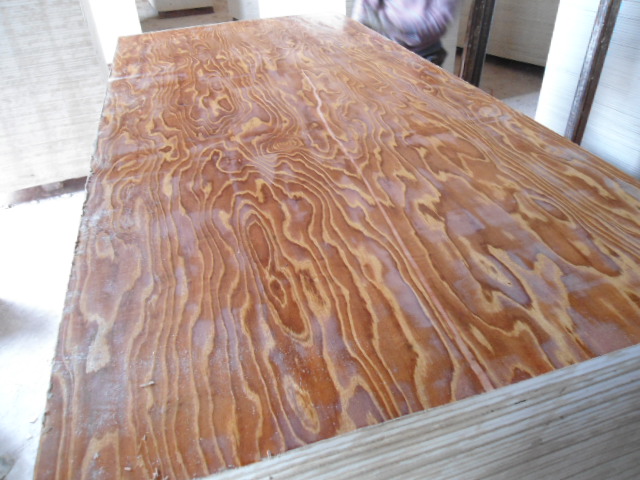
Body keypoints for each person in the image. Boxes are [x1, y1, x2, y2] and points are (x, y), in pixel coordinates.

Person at [352, 0, 459, 66]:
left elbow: (437, 24)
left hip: (423, 56)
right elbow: (364, 7)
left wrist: (391, 27)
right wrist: (357, 29)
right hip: (382, 48)